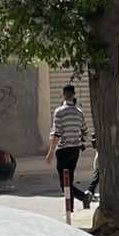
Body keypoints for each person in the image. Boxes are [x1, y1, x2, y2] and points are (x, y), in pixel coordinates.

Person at [47, 83, 88, 222]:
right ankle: (69, 209)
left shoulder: (59, 112)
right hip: (75, 151)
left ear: (64, 94)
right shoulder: (79, 112)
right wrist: (80, 141)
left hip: (63, 151)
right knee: (69, 180)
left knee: (64, 184)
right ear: (74, 94)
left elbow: (57, 134)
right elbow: (85, 131)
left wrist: (50, 152)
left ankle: (82, 197)